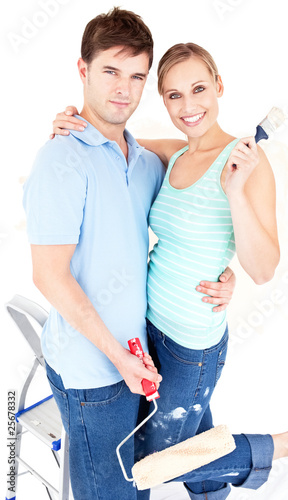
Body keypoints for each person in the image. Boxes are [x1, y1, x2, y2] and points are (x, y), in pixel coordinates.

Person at [51, 41, 288, 499]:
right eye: (174, 95)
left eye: (199, 88)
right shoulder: (176, 154)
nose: (188, 105)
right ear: (163, 101)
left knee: (155, 464)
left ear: (219, 87)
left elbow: (263, 269)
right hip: (148, 330)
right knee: (189, 445)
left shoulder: (248, 166)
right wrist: (70, 122)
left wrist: (236, 193)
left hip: (190, 346)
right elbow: (117, 142)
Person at [23, 8, 237, 500]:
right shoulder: (61, 157)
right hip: (94, 371)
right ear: (83, 71)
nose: (124, 89)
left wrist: (226, 272)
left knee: (160, 468)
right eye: (110, 72)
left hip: (144, 353)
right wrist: (117, 356)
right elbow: (48, 275)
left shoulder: (144, 162)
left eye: (137, 76)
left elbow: (196, 202)